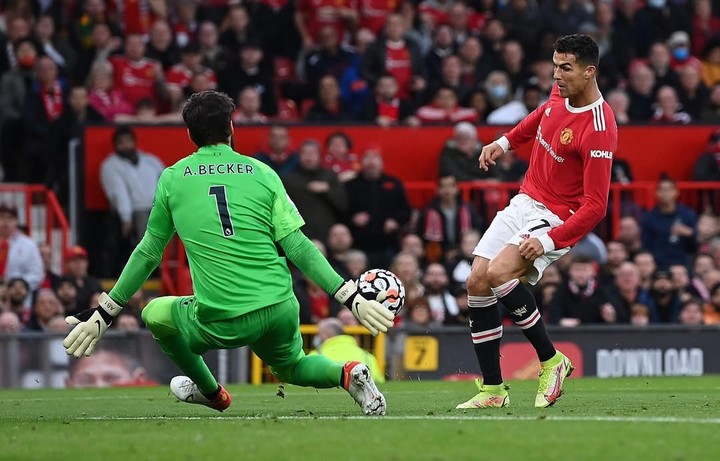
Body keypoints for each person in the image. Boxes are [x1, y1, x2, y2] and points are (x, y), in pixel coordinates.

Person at [62, 91, 393, 415]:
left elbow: (149, 252)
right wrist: (350, 296)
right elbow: (297, 245)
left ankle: (211, 393)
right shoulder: (263, 173)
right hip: (278, 305)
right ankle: (349, 373)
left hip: (222, 318)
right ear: (232, 127)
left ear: (189, 133)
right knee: (292, 366)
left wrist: (106, 311)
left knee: (153, 314)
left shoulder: (173, 178)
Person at [457, 35, 618, 410]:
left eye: (566, 68)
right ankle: (493, 390)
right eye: (555, 66)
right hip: (525, 199)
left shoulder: (599, 127)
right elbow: (543, 115)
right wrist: (504, 142)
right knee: (476, 280)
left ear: (589, 72)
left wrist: (548, 241)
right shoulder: (560, 92)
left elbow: (596, 207)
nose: (556, 75)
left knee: (499, 273)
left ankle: (551, 360)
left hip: (557, 216)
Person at [310, 317, 385, 384]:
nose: (316, 337)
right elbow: (379, 384)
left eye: (319, 334)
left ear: (328, 334)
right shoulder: (367, 356)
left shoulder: (314, 356)